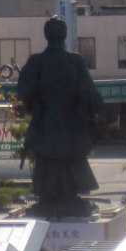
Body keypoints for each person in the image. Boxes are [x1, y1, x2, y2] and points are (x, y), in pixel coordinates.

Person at [16, 17, 104, 218]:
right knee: (70, 163)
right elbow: (92, 95)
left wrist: (36, 103)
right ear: (64, 36)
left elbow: (23, 92)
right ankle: (68, 198)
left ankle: (49, 198)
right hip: (72, 126)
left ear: (46, 36)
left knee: (48, 164)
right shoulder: (75, 62)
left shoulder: (36, 62)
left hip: (46, 124)